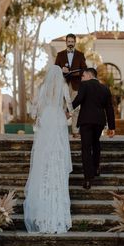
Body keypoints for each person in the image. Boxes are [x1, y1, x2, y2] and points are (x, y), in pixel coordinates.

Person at [24, 65, 73, 233]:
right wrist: (67, 113)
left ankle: (42, 213)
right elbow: (71, 107)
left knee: (43, 157)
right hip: (58, 117)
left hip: (47, 118)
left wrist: (36, 116)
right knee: (58, 154)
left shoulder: (43, 87)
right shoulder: (64, 86)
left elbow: (35, 108)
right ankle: (57, 210)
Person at [72, 67, 115, 189]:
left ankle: (87, 179)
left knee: (86, 148)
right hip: (99, 121)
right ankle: (96, 169)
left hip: (86, 121)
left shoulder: (84, 85)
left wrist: (67, 110)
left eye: (83, 76)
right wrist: (112, 127)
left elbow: (78, 100)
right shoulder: (105, 88)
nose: (82, 78)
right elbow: (109, 108)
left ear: (89, 75)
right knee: (96, 144)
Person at [55, 33, 87, 138]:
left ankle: (75, 131)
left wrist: (74, 73)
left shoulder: (80, 55)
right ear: (66, 42)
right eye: (68, 42)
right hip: (63, 84)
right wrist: (61, 70)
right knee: (62, 107)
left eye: (72, 42)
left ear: (75, 42)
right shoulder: (60, 55)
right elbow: (55, 70)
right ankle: (60, 130)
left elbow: (84, 70)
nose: (70, 44)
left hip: (76, 85)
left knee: (76, 108)